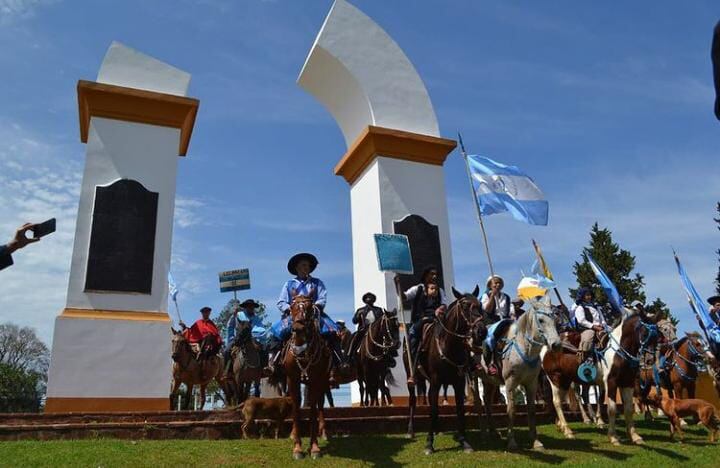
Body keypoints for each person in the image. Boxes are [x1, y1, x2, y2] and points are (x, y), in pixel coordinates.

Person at [268, 252, 347, 385]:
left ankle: (338, 364)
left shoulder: (317, 283)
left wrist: (314, 307)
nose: (306, 268)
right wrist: (290, 309)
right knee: (275, 334)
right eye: (303, 265)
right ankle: (272, 364)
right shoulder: (289, 284)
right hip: (294, 315)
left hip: (314, 314)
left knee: (333, 333)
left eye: (308, 265)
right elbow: (281, 302)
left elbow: (322, 298)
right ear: (297, 268)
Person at [396, 271, 447, 386]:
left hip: (437, 319)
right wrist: (397, 285)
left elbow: (444, 303)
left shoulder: (441, 290)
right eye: (431, 274)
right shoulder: (417, 289)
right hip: (421, 319)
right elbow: (405, 297)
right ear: (425, 276)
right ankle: (413, 370)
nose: (434, 276)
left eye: (436, 274)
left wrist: (441, 309)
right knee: (413, 338)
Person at [481, 275, 515, 376]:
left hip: (505, 321)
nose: (497, 284)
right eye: (495, 283)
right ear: (490, 285)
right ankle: (490, 362)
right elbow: (487, 309)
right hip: (491, 322)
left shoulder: (506, 297)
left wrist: (513, 317)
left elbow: (511, 312)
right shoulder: (486, 296)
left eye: (499, 282)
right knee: (489, 339)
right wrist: (492, 296)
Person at [573, 288, 607, 364]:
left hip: (601, 328)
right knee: (589, 337)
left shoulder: (596, 307)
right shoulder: (580, 307)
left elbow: (602, 318)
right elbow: (581, 320)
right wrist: (594, 326)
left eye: (590, 295)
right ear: (582, 297)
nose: (589, 297)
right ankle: (586, 358)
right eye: (587, 295)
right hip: (587, 329)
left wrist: (603, 324)